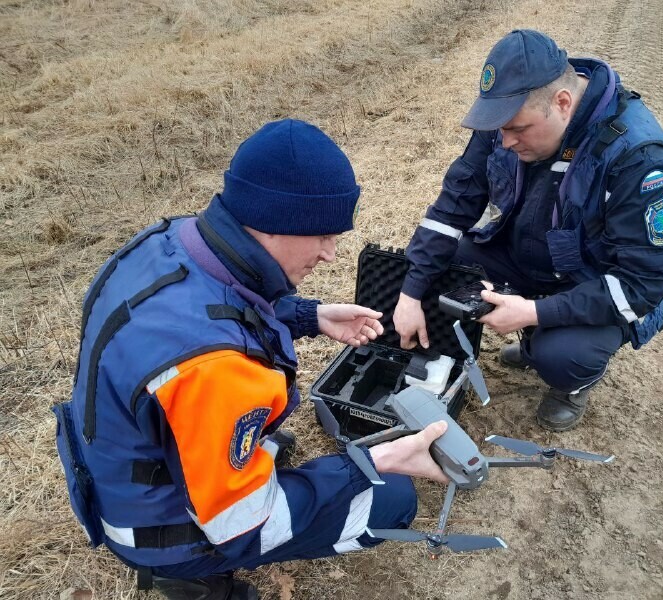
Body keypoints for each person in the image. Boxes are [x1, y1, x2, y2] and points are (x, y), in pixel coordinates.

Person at [54, 119, 449, 600]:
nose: (330, 253)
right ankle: (191, 576)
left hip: (116, 474)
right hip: (156, 527)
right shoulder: (214, 367)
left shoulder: (166, 243)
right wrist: (372, 461)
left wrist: (308, 315)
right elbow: (244, 526)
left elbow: (212, 303)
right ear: (274, 221)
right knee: (392, 498)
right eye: (323, 234)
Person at [394, 30, 663, 432]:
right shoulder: (506, 119)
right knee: (442, 267)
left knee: (563, 357)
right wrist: (411, 290)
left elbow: (645, 282)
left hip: (587, 279)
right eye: (500, 130)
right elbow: (454, 204)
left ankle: (571, 377)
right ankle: (536, 331)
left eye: (517, 129)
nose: (506, 141)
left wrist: (534, 312)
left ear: (562, 104)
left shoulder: (637, 158)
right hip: (522, 253)